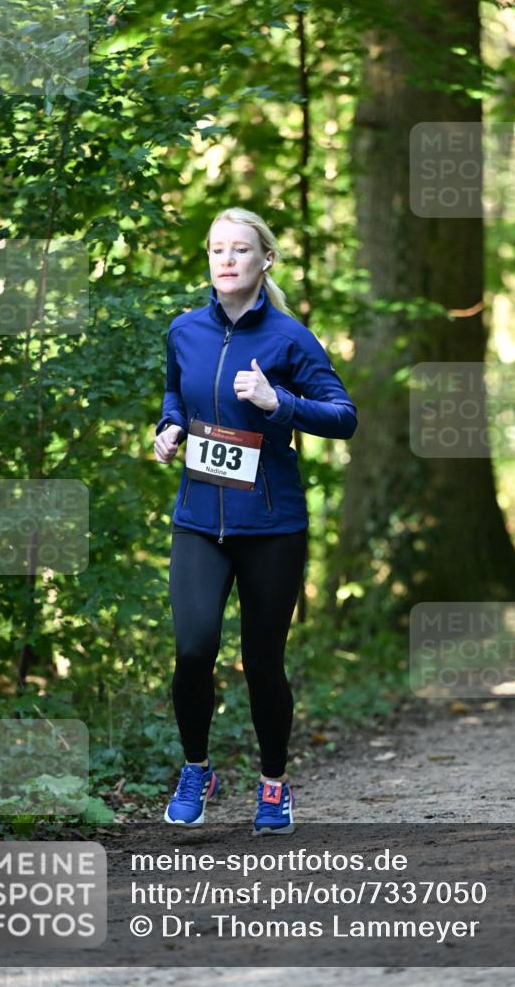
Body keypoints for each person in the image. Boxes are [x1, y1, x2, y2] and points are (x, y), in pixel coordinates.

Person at [154, 207, 357, 834]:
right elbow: (173, 392)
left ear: (264, 260)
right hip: (198, 520)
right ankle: (197, 768)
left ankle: (273, 785)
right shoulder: (184, 330)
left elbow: (342, 415)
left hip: (271, 526)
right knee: (192, 649)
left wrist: (280, 403)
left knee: (263, 660)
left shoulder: (289, 338)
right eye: (218, 249)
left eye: (240, 249)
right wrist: (169, 428)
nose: (227, 259)